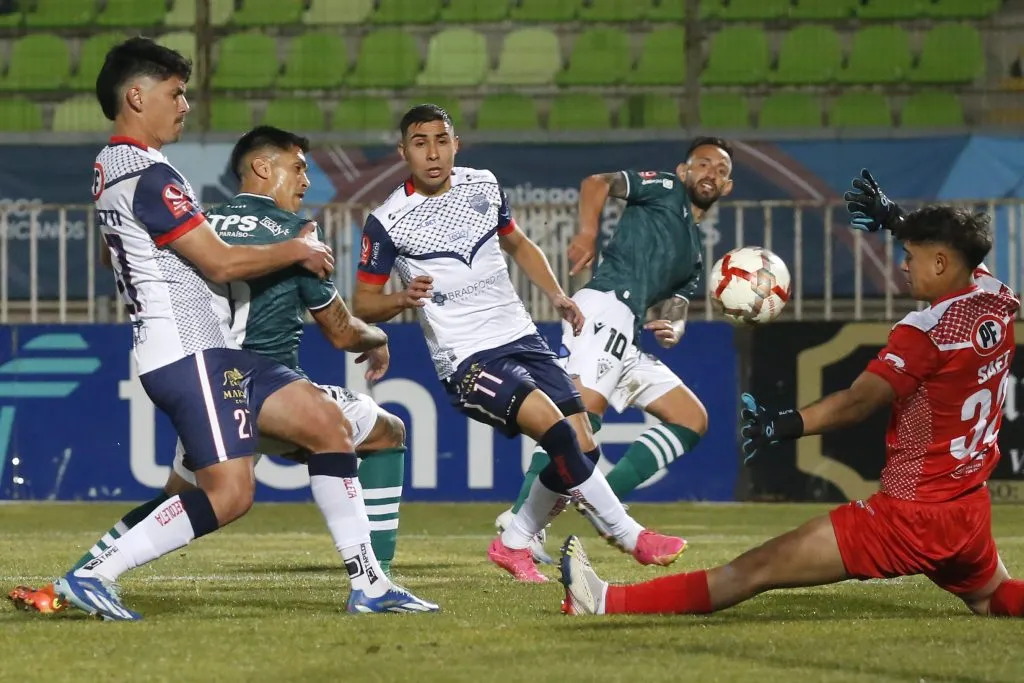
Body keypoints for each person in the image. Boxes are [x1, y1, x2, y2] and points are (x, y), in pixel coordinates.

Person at [9, 126, 432, 615]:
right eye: (297, 168)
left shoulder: (199, 223)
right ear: (262, 168)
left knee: (183, 498)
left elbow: (114, 253)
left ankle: (70, 583)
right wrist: (378, 338)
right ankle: (374, 577)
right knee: (382, 431)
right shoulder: (293, 234)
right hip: (268, 388)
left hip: (205, 382)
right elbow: (340, 332)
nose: (304, 180)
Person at [559, 186, 1024, 619]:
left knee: (753, 570)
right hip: (967, 506)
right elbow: (962, 257)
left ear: (941, 263)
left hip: (912, 515)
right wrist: (895, 219)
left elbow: (858, 402)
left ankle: (601, 600)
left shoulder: (926, 332)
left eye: (911, 255)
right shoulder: (994, 297)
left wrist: (785, 424)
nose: (903, 264)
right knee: (991, 596)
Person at [53, 37, 393, 622]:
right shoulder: (148, 173)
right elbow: (221, 264)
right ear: (137, 96)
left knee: (325, 425)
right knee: (229, 495)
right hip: (188, 352)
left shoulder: (115, 167)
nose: (184, 105)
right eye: (175, 93)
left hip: (208, 354)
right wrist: (294, 250)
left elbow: (116, 256)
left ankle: (371, 585)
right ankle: (91, 574)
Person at [352, 104, 686, 584]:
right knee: (557, 432)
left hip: (520, 335)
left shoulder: (483, 184)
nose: (432, 152)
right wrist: (402, 299)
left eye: (441, 140)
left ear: (456, 144)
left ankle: (513, 542)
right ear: (403, 151)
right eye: (420, 142)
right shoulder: (387, 220)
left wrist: (556, 294)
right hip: (466, 358)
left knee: (583, 446)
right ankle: (628, 534)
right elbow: (363, 302)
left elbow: (519, 244)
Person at [496, 138, 734, 558]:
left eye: (721, 169)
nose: (711, 173)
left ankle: (598, 500)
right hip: (604, 307)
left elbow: (676, 306)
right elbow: (596, 182)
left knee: (691, 419)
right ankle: (520, 522)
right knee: (578, 420)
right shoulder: (664, 188)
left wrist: (675, 329)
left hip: (631, 330)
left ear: (728, 186)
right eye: (703, 164)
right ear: (684, 171)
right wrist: (588, 234)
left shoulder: (695, 255)